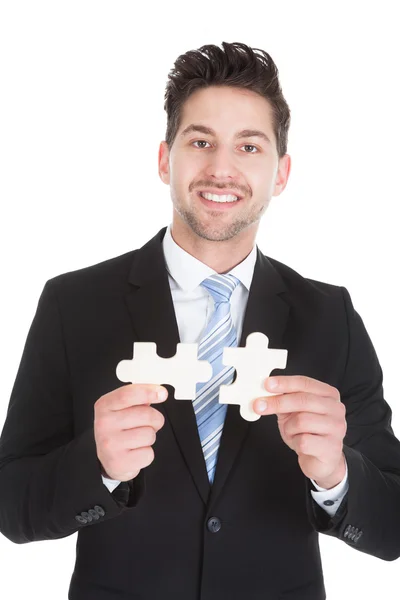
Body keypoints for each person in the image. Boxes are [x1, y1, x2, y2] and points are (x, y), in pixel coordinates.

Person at [0, 41, 399, 600]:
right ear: (166, 158)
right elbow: (12, 505)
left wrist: (336, 475)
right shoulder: (73, 303)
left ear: (281, 173)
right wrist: (97, 465)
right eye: (201, 141)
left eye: (250, 146)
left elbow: (392, 526)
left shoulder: (330, 315)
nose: (221, 168)